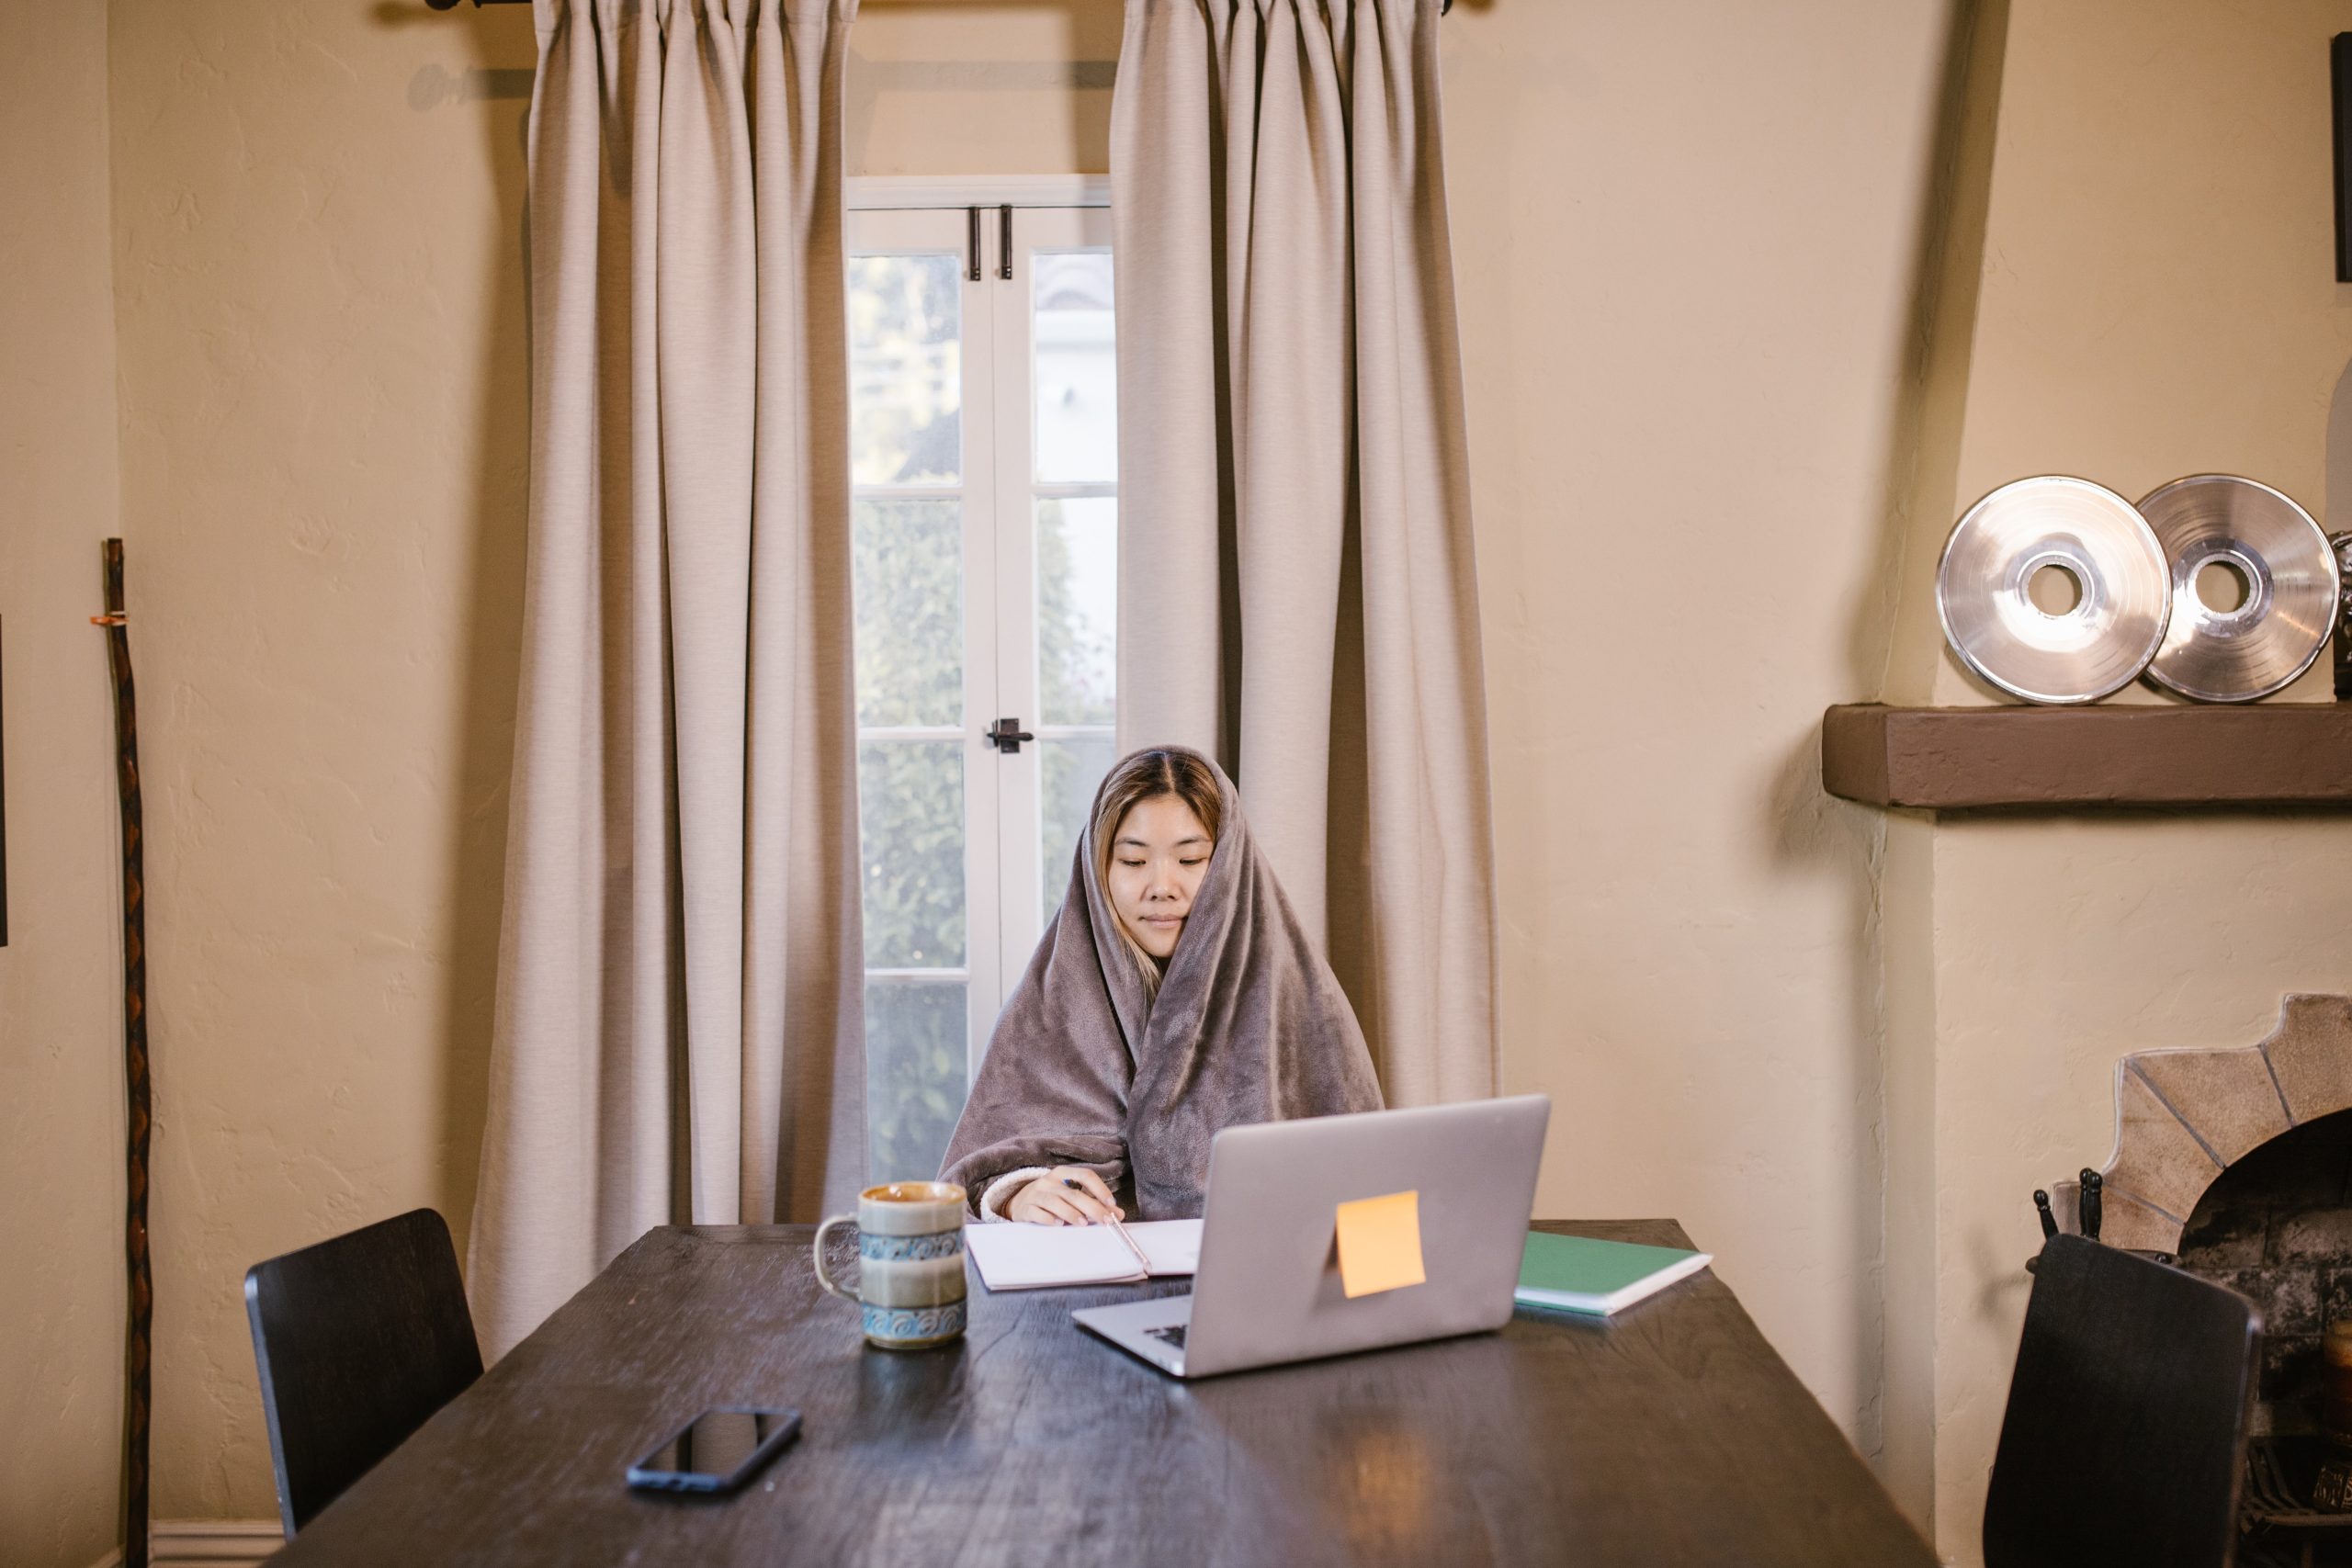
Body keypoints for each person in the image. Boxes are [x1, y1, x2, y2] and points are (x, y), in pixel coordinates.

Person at [940, 745, 1384, 1224]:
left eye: (1191, 860)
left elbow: (1370, 1192)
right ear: (1096, 873)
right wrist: (1016, 1196)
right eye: (1133, 862)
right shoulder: (1048, 1009)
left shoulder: (1304, 1004)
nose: (1162, 886)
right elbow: (973, 1177)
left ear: (1229, 869)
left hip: (1262, 1282)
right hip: (1090, 1282)